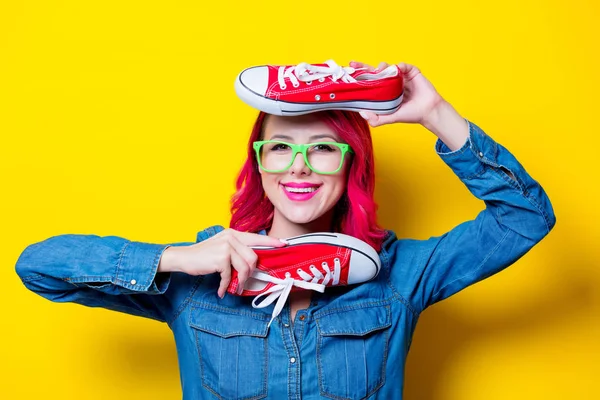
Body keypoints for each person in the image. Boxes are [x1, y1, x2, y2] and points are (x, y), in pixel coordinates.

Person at [15, 61, 556, 400]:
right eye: (280, 147)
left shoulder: (398, 275)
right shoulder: (195, 279)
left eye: (322, 148)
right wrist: (176, 259)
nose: (299, 166)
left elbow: (525, 217)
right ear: (260, 164)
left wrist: (435, 112)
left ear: (351, 166)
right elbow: (37, 267)